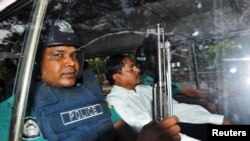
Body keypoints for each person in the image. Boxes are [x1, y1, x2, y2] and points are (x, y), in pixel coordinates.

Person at [0, 20, 181, 141]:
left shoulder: (88, 91)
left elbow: (120, 128)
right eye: (58, 55)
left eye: (74, 55)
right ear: (34, 62)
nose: (71, 62)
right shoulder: (12, 112)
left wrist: (146, 134)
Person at [105, 54, 230, 141]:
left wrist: (216, 119)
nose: (138, 69)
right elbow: (151, 130)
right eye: (131, 68)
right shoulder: (115, 101)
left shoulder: (147, 90)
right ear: (117, 77)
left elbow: (176, 109)